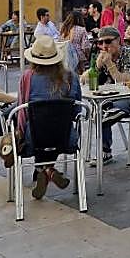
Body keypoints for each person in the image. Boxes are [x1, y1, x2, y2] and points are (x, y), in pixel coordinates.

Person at [17, 36, 80, 198]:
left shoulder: (27, 77)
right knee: (55, 126)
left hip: (34, 139)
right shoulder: (71, 77)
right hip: (66, 138)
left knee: (40, 127)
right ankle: (47, 170)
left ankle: (43, 170)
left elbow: (21, 110)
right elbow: (77, 111)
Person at [93, 26, 130, 163]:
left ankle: (109, 115)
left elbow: (124, 80)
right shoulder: (103, 56)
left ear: (119, 40)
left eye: (108, 41)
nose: (104, 46)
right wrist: (96, 68)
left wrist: (109, 63)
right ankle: (106, 151)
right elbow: (89, 79)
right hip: (113, 98)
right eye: (101, 42)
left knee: (102, 112)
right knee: (100, 108)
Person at [59, 10, 90, 75]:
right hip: (78, 57)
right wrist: (88, 56)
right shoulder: (82, 29)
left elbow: (60, 41)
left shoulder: (64, 28)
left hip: (64, 55)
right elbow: (85, 46)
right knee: (80, 75)